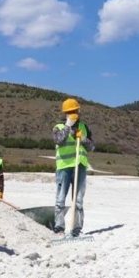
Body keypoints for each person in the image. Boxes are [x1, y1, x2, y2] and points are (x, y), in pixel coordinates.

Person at [52, 98, 96, 237]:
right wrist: (67, 126)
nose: (73, 114)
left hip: (80, 166)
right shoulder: (58, 127)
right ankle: (59, 228)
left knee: (78, 200)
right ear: (65, 113)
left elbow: (92, 147)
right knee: (60, 199)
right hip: (64, 166)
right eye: (69, 112)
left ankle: (76, 229)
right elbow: (59, 140)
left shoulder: (84, 127)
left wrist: (83, 138)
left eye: (74, 111)